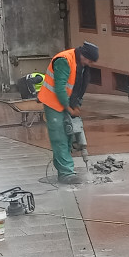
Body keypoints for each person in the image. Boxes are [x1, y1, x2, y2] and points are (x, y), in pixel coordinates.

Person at [37, 42, 98, 184]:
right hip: (53, 103)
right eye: (89, 60)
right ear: (83, 55)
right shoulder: (64, 61)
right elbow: (60, 88)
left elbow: (78, 86)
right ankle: (66, 173)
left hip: (67, 102)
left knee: (70, 135)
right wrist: (69, 108)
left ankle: (66, 166)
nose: (90, 64)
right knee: (59, 138)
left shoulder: (81, 64)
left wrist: (76, 105)